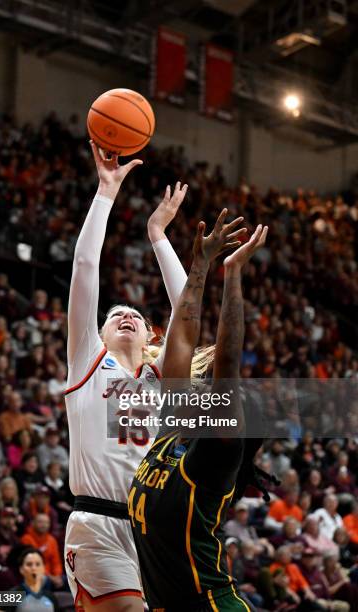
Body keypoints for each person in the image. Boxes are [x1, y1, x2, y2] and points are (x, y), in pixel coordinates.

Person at [64, 142, 190, 611]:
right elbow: (84, 268)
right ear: (97, 333)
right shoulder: (88, 362)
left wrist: (158, 233)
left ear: (151, 334)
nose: (124, 315)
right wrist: (106, 192)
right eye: (113, 314)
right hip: (96, 523)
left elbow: (189, 311)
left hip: (152, 531)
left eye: (133, 314)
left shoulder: (161, 376)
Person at [129, 213, 269, 610]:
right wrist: (202, 263)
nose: (200, 385)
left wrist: (234, 272)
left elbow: (227, 362)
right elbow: (183, 333)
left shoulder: (214, 459)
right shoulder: (175, 429)